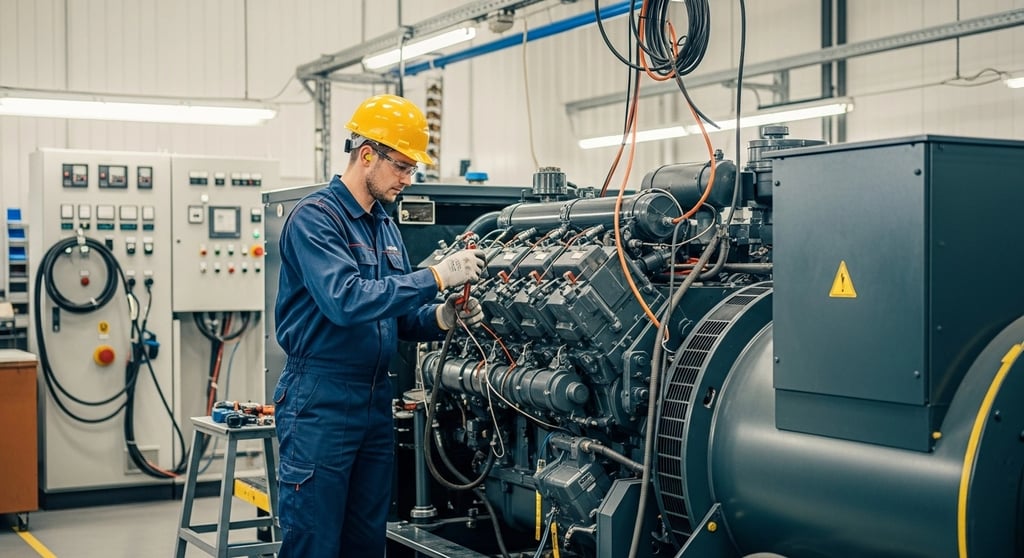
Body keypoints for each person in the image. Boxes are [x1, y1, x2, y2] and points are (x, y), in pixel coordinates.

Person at [272, 93, 487, 557]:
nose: (408, 180)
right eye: (402, 167)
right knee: (314, 541)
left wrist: (443, 316)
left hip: (374, 401)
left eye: (413, 170)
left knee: (366, 543)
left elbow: (401, 316)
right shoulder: (315, 219)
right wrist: (435, 275)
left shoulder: (384, 226)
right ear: (367, 154)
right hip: (320, 401)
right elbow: (346, 301)